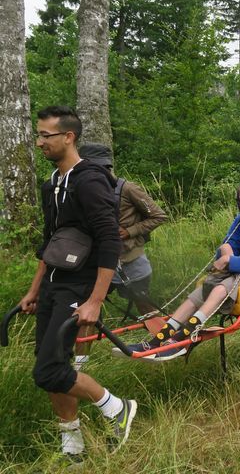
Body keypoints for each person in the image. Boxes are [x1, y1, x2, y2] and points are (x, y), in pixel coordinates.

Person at [19, 106, 136, 464]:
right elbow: (49, 241)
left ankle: (116, 407)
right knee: (51, 362)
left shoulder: (90, 180)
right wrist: (35, 289)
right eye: (38, 134)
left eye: (45, 135)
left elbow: (109, 241)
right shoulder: (51, 184)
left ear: (68, 137)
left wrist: (96, 300)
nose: (39, 142)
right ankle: (73, 445)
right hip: (55, 282)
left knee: (49, 370)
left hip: (81, 285)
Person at [119, 179, 240, 361]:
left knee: (218, 289)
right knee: (198, 293)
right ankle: (159, 339)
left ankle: (182, 339)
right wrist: (225, 250)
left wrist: (229, 259)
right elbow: (226, 248)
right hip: (236, 271)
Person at [76, 143, 168, 370]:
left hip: (131, 261)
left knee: (146, 308)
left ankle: (164, 348)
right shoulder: (86, 191)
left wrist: (130, 231)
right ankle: (79, 366)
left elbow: (158, 216)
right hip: (102, 264)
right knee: (88, 309)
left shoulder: (128, 189)